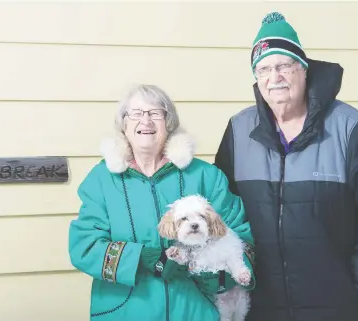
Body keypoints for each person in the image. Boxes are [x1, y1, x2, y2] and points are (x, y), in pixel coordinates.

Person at [214, 11, 358, 321]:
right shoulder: (238, 131)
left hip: (340, 309)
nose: (275, 78)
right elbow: (222, 214)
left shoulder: (353, 128)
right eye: (263, 69)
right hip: (260, 307)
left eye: (284, 65)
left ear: (303, 69)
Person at [68, 84, 256, 321]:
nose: (145, 121)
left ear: (168, 123)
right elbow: (85, 246)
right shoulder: (101, 180)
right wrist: (144, 258)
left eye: (155, 113)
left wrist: (224, 276)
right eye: (135, 113)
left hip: (197, 311)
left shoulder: (206, 176)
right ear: (123, 125)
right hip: (126, 312)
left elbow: (241, 234)